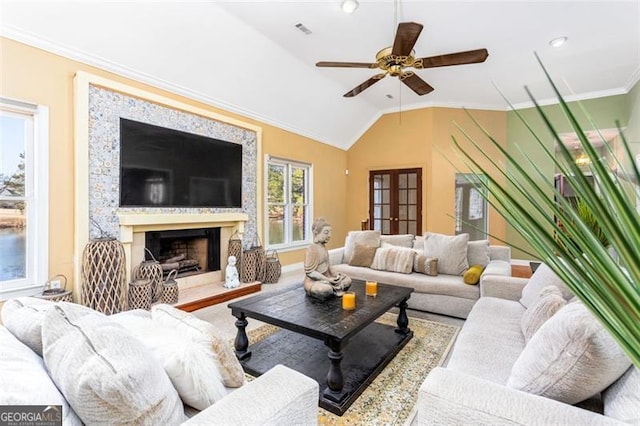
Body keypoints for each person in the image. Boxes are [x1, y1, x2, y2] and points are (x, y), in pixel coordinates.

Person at [304, 217, 352, 300]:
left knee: (347, 280)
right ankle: (333, 290)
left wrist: (336, 275)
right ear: (316, 233)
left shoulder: (324, 248)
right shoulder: (312, 249)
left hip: (327, 278)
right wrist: (327, 280)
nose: (329, 236)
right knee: (325, 290)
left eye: (330, 233)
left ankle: (333, 289)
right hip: (313, 281)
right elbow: (310, 272)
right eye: (326, 232)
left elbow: (328, 266)